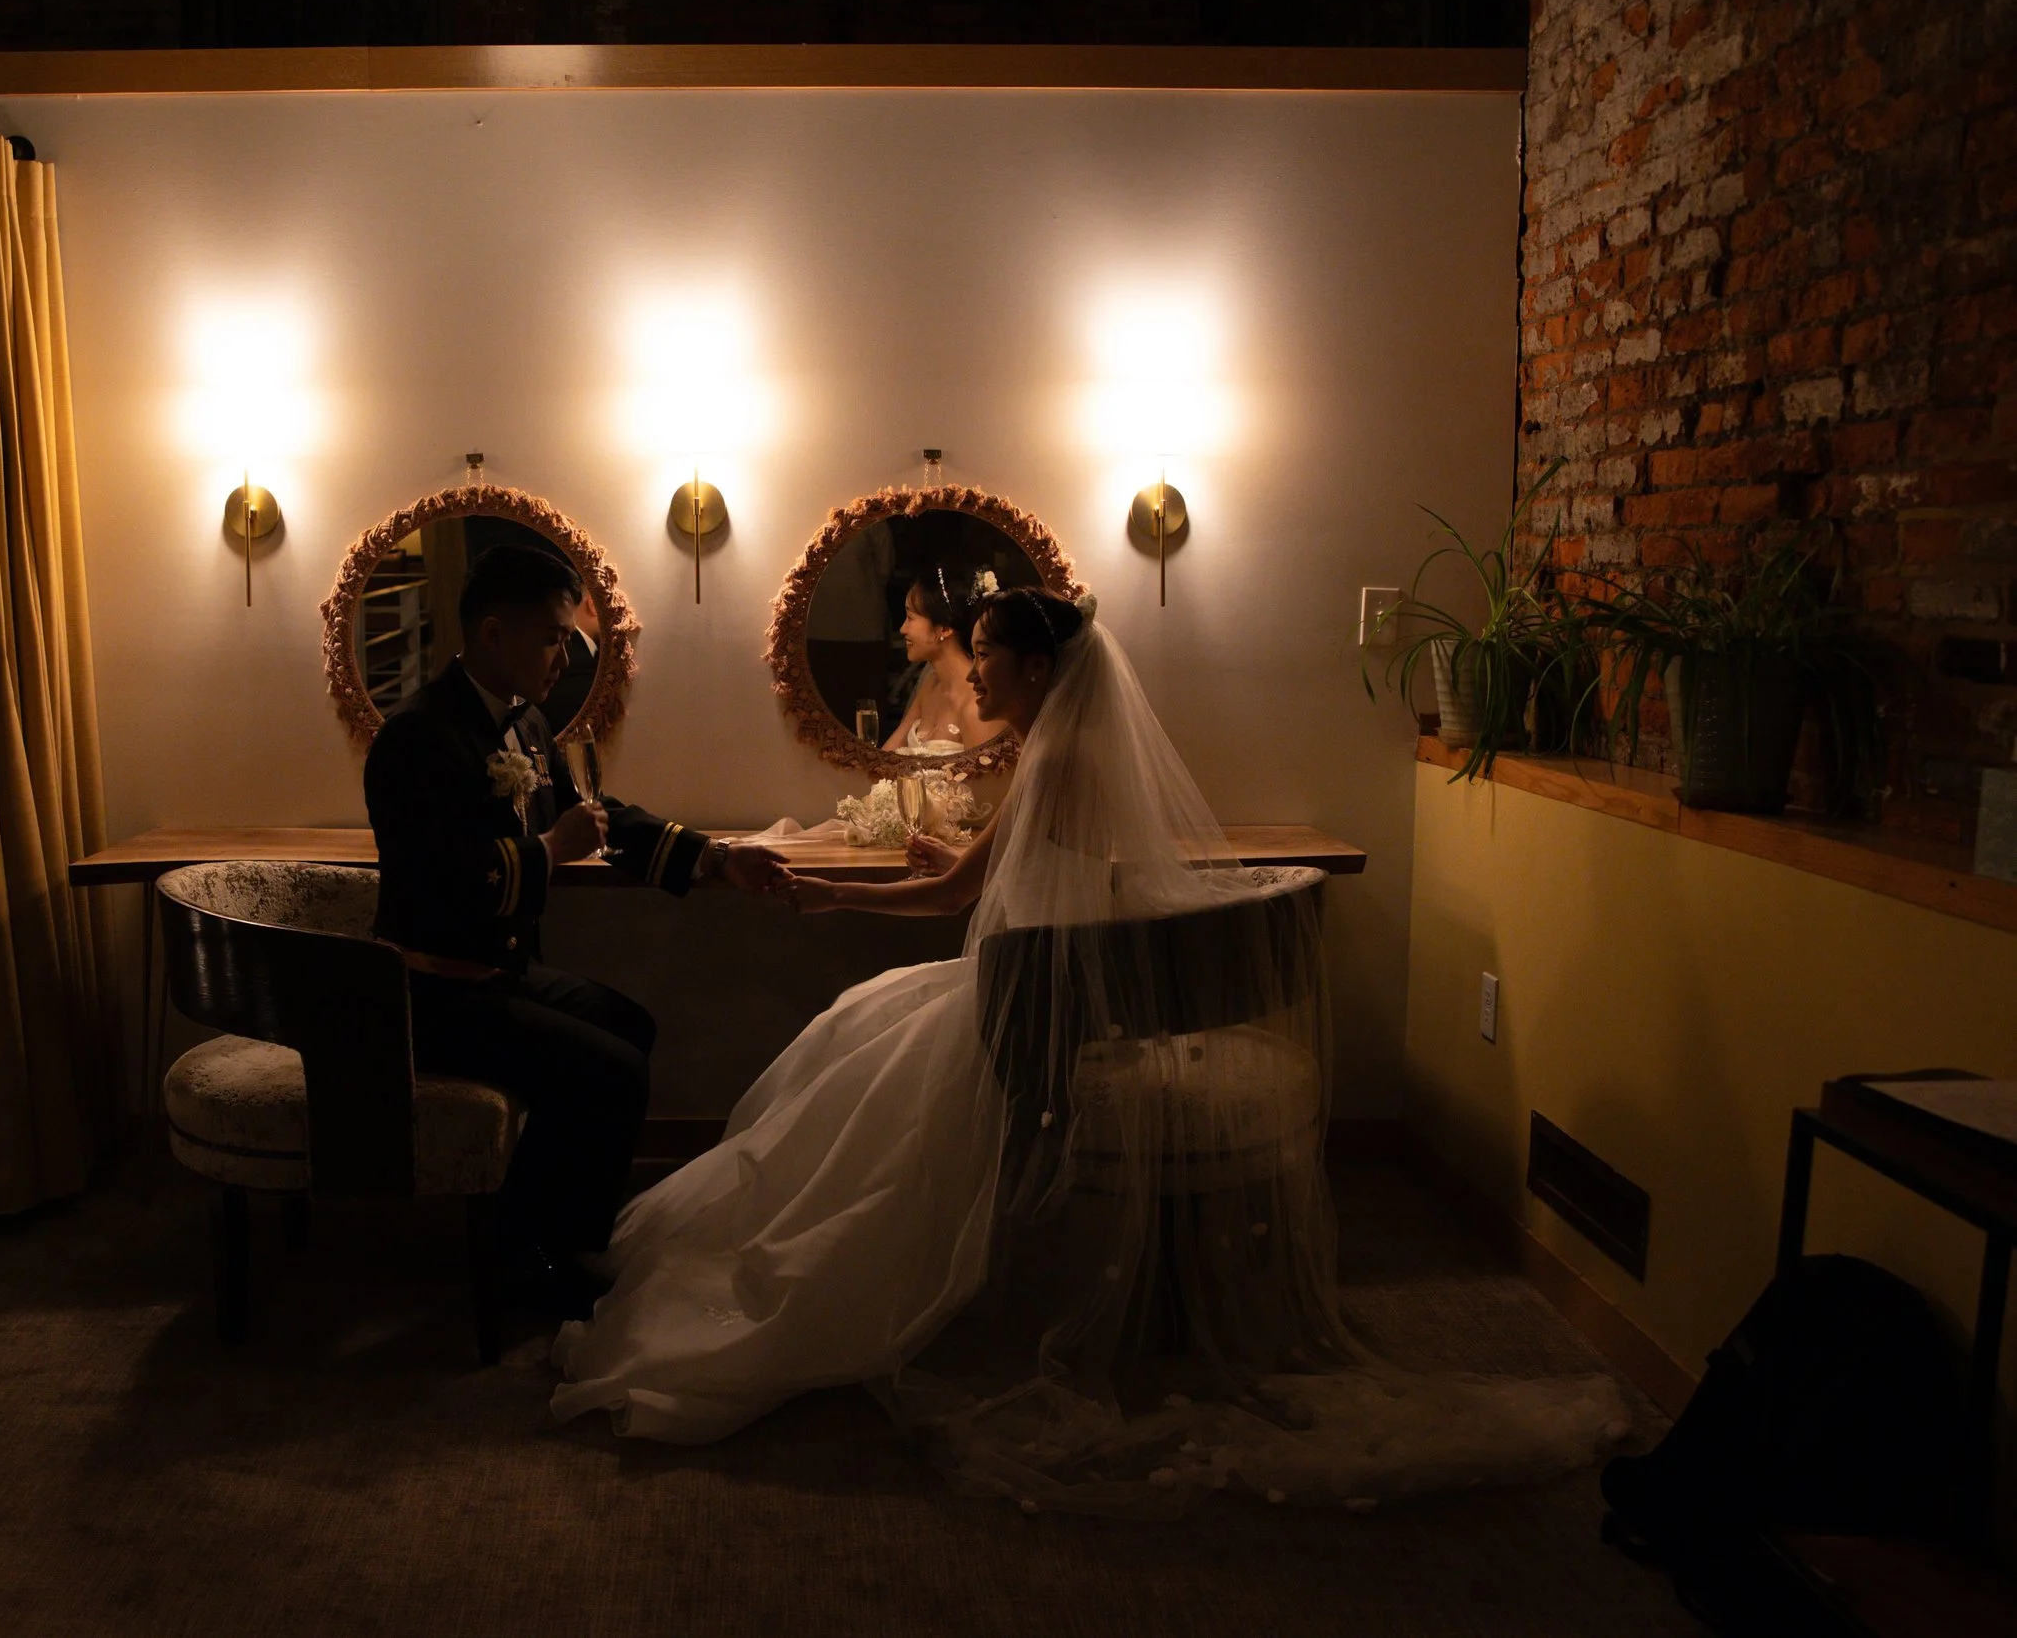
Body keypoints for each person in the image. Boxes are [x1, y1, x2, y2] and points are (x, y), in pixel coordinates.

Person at [553, 588, 1627, 1515]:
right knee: (862, 1029)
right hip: (1039, 992)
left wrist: (818, 890)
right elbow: (999, 872)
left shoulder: (1051, 760)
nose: (968, 671)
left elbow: (950, 893)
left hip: (1028, 1014)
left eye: (982, 652)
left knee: (852, 1038)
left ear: (1029, 664)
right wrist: (950, 856)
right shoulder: (1062, 754)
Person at [364, 544, 790, 1318]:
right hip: (430, 990)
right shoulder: (417, 736)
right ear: (494, 634)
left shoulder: (525, 725)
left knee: (630, 1025)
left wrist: (717, 860)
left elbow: (598, 815)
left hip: (502, 972)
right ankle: (527, 1255)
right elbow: (437, 881)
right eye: (555, 636)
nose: (567, 654)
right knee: (610, 1072)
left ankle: (552, 1229)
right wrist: (546, 850)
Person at [880, 565, 1006, 755]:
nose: (903, 629)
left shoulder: (978, 704)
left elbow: (985, 783)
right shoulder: (931, 684)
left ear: (944, 629)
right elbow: (888, 755)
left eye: (910, 618)